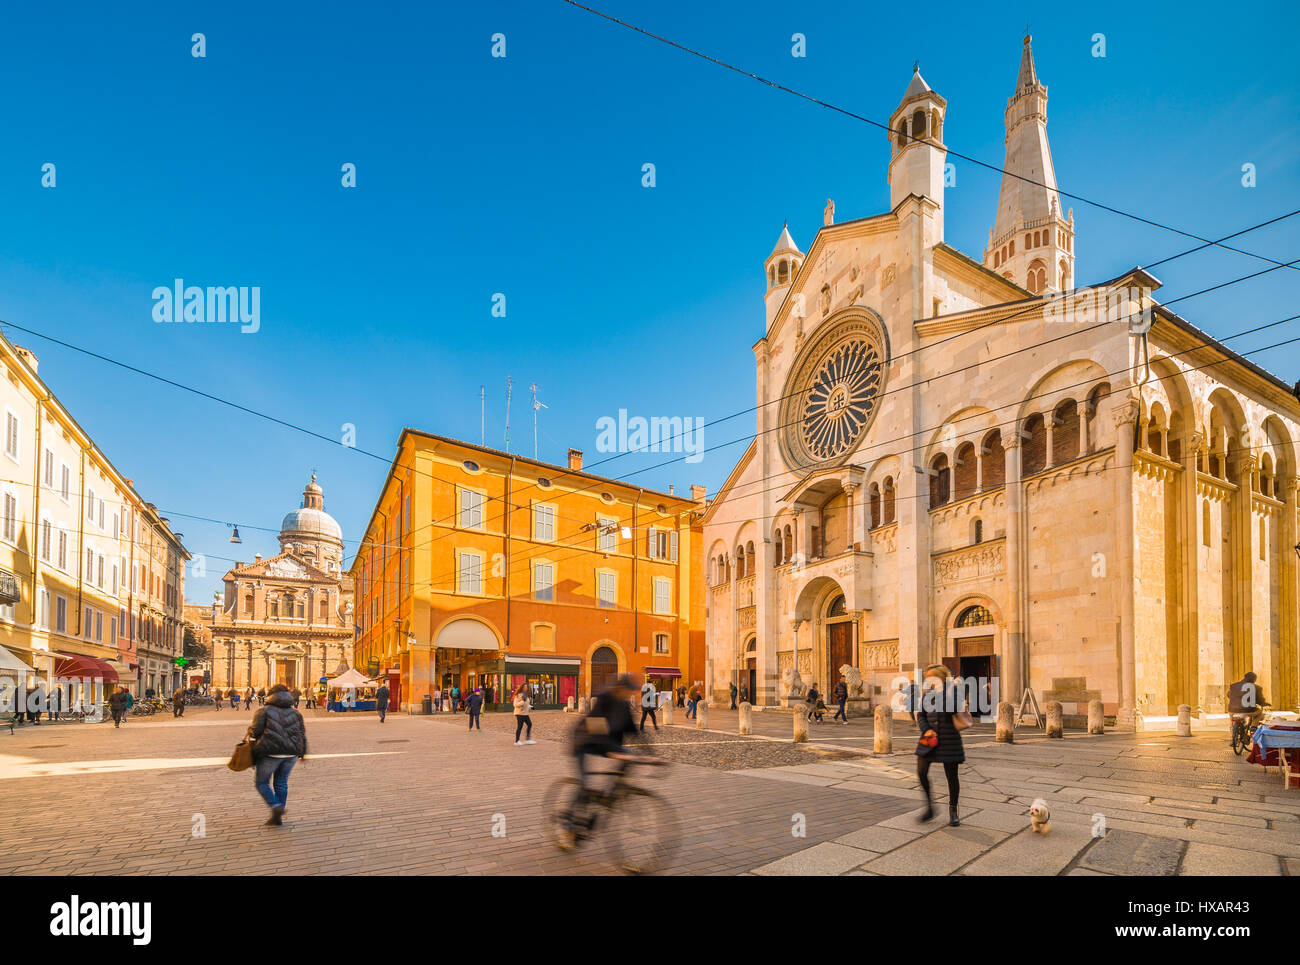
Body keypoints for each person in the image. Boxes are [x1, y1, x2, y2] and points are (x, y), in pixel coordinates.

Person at [559, 674, 660, 851]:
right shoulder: (604, 698)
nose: (630, 693)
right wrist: (614, 753)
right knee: (584, 784)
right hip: (585, 741)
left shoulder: (624, 705)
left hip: (608, 744)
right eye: (628, 689)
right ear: (619, 688)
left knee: (629, 759)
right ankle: (570, 822)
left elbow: (635, 732)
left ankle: (613, 791)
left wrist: (652, 755)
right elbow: (595, 725)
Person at [915, 664, 967, 827]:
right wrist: (926, 730)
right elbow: (921, 715)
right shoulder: (927, 694)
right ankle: (930, 808)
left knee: (951, 776)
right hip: (929, 738)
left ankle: (953, 812)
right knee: (921, 771)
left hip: (949, 739)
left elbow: (953, 710)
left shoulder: (954, 692)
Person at [249, 683, 308, 827]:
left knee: (261, 783)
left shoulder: (263, 711)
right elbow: (301, 734)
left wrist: (251, 729)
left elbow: (255, 732)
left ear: (270, 695)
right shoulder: (296, 713)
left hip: (270, 752)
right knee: (281, 782)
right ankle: (277, 816)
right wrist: (303, 753)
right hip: (291, 754)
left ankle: (276, 807)